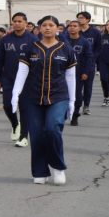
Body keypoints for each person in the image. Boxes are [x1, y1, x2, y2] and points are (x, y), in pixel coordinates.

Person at [11, 15, 75, 185]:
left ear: (57, 28)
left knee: (53, 128)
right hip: (33, 96)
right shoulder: (30, 48)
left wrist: (72, 101)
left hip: (58, 96)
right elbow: (22, 72)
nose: (47, 28)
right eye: (44, 25)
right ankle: (40, 171)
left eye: (51, 25)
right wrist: (15, 93)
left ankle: (58, 167)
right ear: (39, 28)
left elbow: (70, 76)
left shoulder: (66, 49)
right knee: (37, 134)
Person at [0, 12, 35, 147]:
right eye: (14, 21)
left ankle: (23, 137)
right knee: (8, 105)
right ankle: (15, 124)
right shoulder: (5, 39)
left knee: (24, 108)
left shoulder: (33, 40)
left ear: (26, 23)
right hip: (8, 78)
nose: (16, 23)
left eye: (19, 21)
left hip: (27, 80)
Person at [63, 20, 93, 126]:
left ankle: (75, 115)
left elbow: (89, 58)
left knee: (77, 95)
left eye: (75, 26)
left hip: (78, 72)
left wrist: (86, 72)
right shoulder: (63, 41)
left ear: (79, 28)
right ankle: (63, 114)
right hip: (63, 72)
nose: (72, 27)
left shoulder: (85, 42)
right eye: (70, 26)